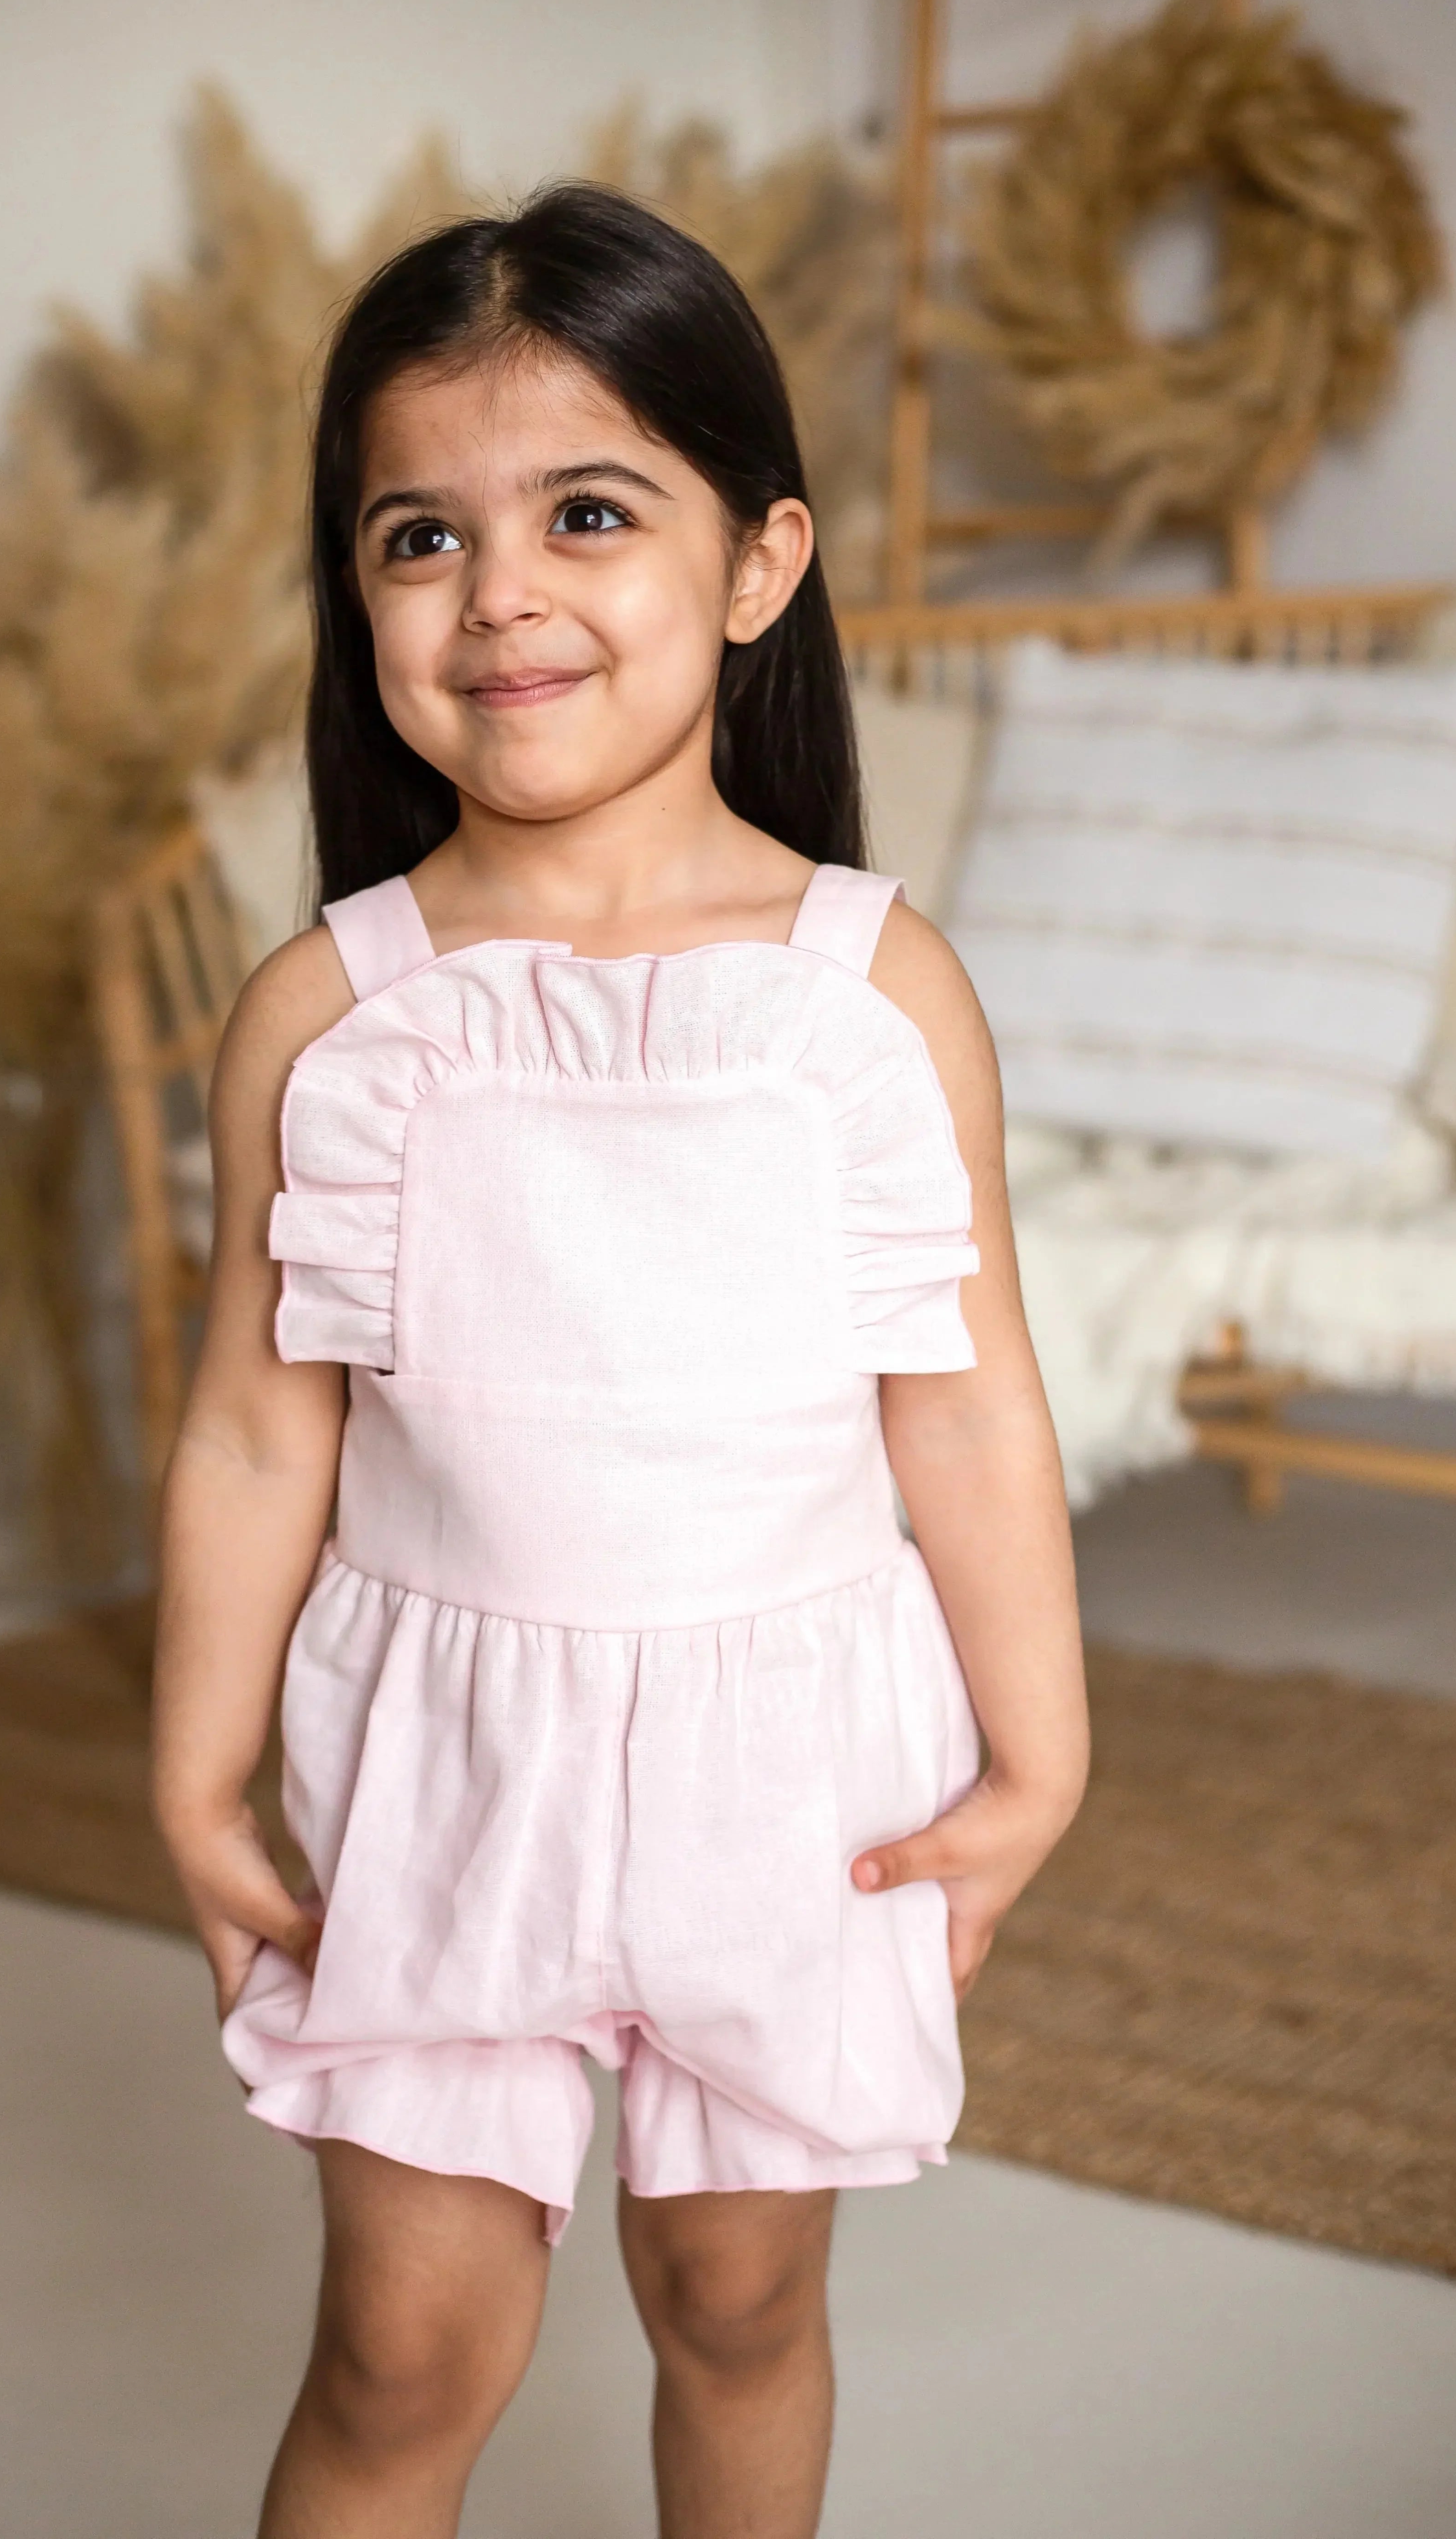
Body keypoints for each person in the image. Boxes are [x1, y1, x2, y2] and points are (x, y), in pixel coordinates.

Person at [152, 183, 1089, 2539]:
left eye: (588, 510)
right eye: (418, 536)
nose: (505, 596)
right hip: (446, 1767)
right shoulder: (330, 1017)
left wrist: (1040, 1751)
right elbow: (263, 1437)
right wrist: (195, 1773)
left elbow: (962, 1397)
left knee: (742, 2310)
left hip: (786, 1778)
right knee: (396, 2357)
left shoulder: (872, 995)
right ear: (353, 593)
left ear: (758, 562)